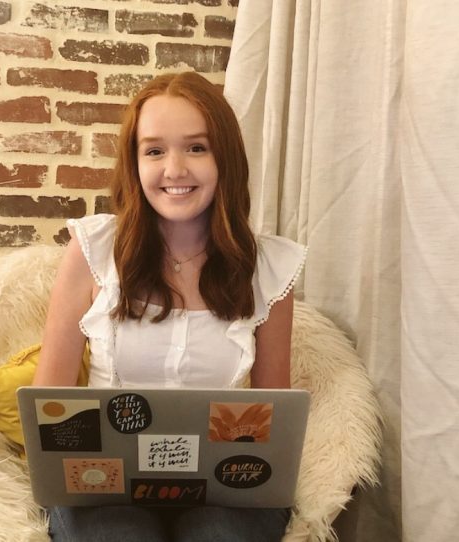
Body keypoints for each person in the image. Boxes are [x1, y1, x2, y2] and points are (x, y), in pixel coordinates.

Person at [33, 71, 307, 542]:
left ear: (225, 159)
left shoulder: (270, 269)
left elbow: (272, 415)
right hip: (105, 488)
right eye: (155, 150)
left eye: (196, 148)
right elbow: (49, 399)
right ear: (134, 163)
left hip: (224, 489)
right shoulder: (93, 249)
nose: (175, 169)